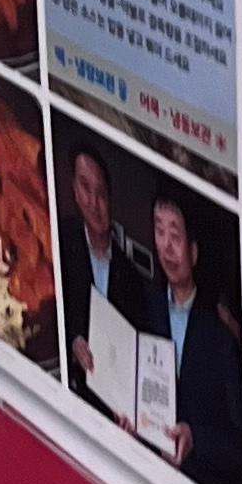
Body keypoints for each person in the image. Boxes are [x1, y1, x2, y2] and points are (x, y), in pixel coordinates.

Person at [148, 189, 242, 484]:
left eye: (175, 236)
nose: (166, 246)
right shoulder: (147, 308)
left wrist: (196, 439)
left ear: (193, 252)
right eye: (159, 231)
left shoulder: (221, 333)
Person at [62, 142, 154, 408]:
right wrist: (73, 340)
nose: (94, 202)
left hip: (112, 406)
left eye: (101, 193)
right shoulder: (61, 242)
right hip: (66, 391)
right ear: (75, 191)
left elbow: (136, 350)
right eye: (85, 188)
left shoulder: (131, 277)